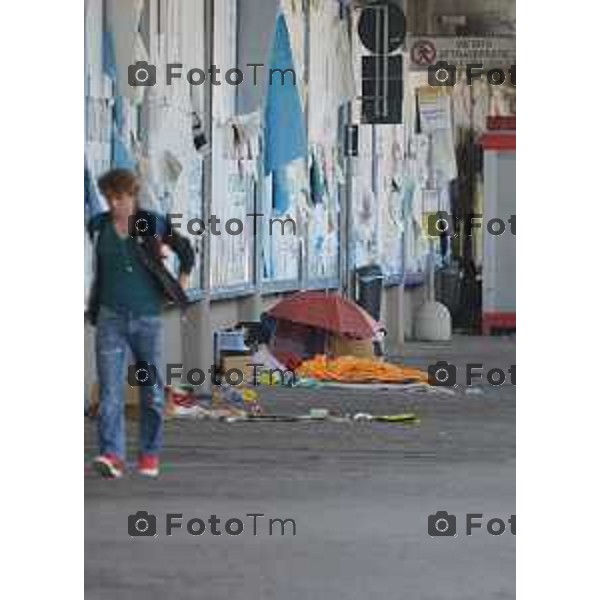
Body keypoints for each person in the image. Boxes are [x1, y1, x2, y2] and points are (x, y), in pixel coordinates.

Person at [86, 169, 194, 478]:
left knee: (150, 389)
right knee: (110, 391)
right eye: (110, 199)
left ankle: (148, 454)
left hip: (146, 323)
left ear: (132, 196)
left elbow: (185, 250)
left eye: (120, 198)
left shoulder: (145, 222)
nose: (115, 204)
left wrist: (180, 284)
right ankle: (112, 456)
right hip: (111, 322)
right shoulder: (99, 226)